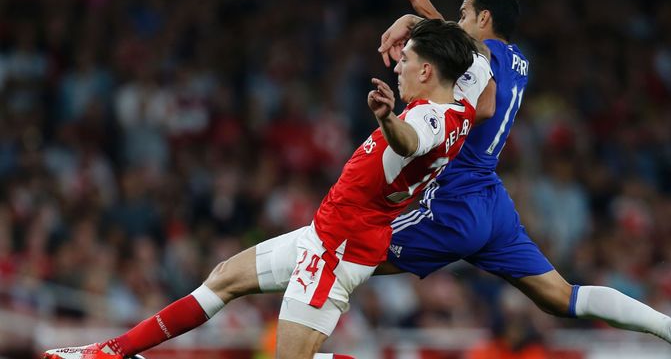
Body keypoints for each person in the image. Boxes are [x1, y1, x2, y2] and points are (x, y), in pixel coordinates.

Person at [43, 18, 492, 359]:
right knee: (224, 277)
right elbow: (479, 57)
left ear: (429, 70)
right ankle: (111, 352)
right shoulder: (463, 106)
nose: (399, 67)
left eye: (408, 59)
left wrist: (387, 118)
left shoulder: (424, 119)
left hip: (336, 251)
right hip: (330, 235)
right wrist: (414, 23)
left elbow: (411, 141)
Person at [374, 0, 671, 359]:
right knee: (562, 297)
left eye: (463, 15)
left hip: (456, 200)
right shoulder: (519, 61)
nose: (458, 23)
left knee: (341, 250)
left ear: (484, 19)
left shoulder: (489, 55)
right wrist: (417, 24)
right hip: (491, 202)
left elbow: (473, 57)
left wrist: (423, 15)